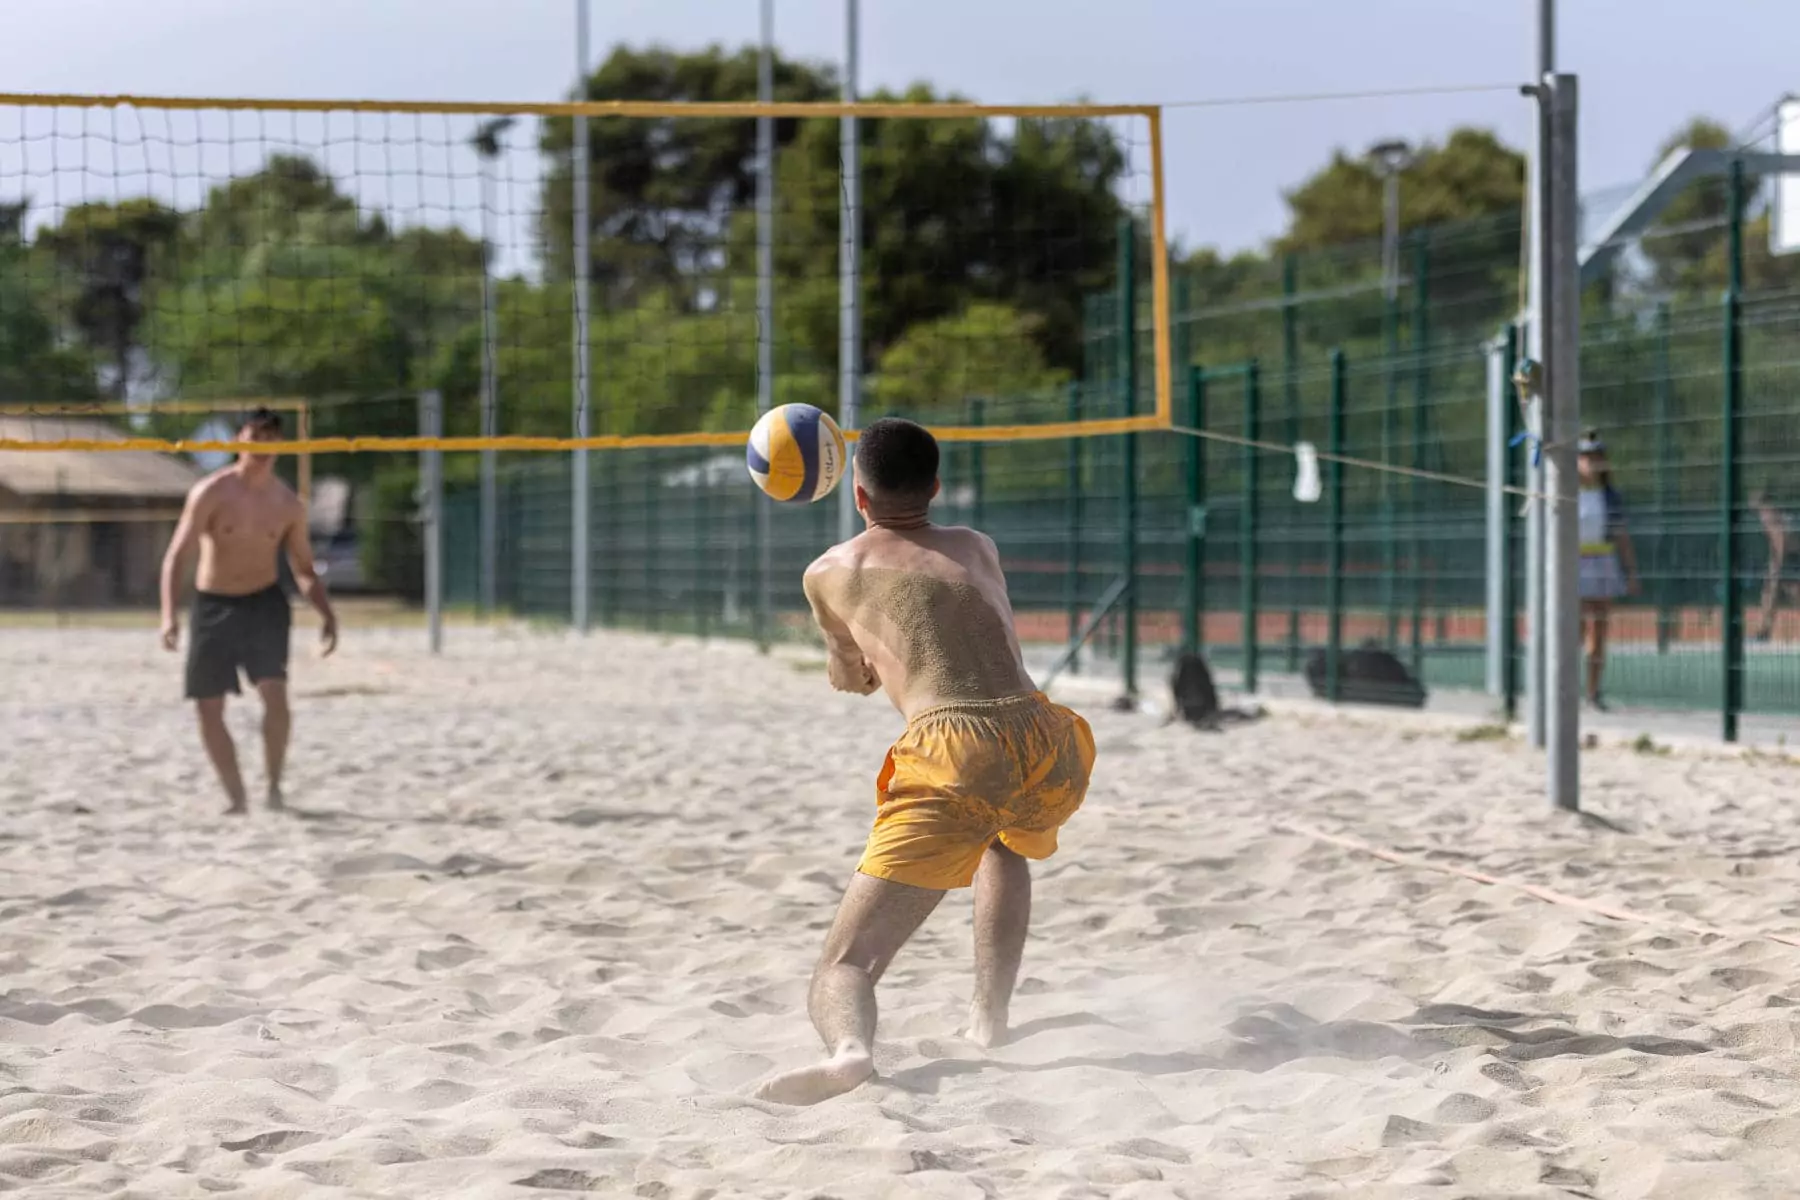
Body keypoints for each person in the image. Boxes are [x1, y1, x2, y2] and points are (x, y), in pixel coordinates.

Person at [753, 417, 1095, 1107]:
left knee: (844, 965)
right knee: (1002, 842)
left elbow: (849, 674)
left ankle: (851, 1053)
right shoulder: (978, 545)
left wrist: (859, 662)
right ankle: (989, 1020)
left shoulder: (828, 572)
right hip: (1046, 739)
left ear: (857, 497)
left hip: (953, 749)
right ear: (936, 487)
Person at [159, 408, 337, 814]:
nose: (262, 445)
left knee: (274, 694)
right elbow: (177, 556)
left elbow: (304, 569)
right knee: (208, 705)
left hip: (263, 603)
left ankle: (274, 788)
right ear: (239, 440)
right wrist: (169, 615)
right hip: (213, 603)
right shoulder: (211, 492)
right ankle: (236, 798)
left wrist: (327, 613)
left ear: (281, 445)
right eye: (255, 435)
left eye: (271, 437)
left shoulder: (288, 503)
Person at [1576, 431, 1638, 710]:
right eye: (1586, 456)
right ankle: (1564, 690)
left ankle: (1592, 691)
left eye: (1597, 456)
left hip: (1602, 562)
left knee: (1598, 630)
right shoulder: (1567, 491)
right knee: (1571, 630)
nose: (1592, 462)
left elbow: (1622, 536)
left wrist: (1631, 572)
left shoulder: (1610, 496)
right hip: (1573, 564)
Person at [1751, 490, 1798, 642]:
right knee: (1775, 593)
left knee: (1772, 592)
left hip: (1789, 557)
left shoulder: (1768, 514)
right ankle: (1764, 630)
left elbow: (1780, 539)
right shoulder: (1776, 512)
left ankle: (1764, 631)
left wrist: (1777, 564)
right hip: (1790, 556)